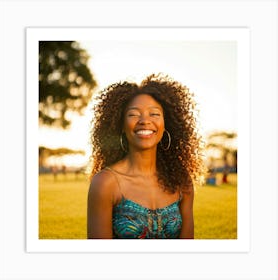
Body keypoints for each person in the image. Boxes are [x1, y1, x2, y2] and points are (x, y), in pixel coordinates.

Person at [87, 73, 204, 239]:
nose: (144, 121)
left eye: (154, 114)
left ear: (165, 124)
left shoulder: (181, 182)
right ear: (121, 125)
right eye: (133, 114)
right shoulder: (105, 183)